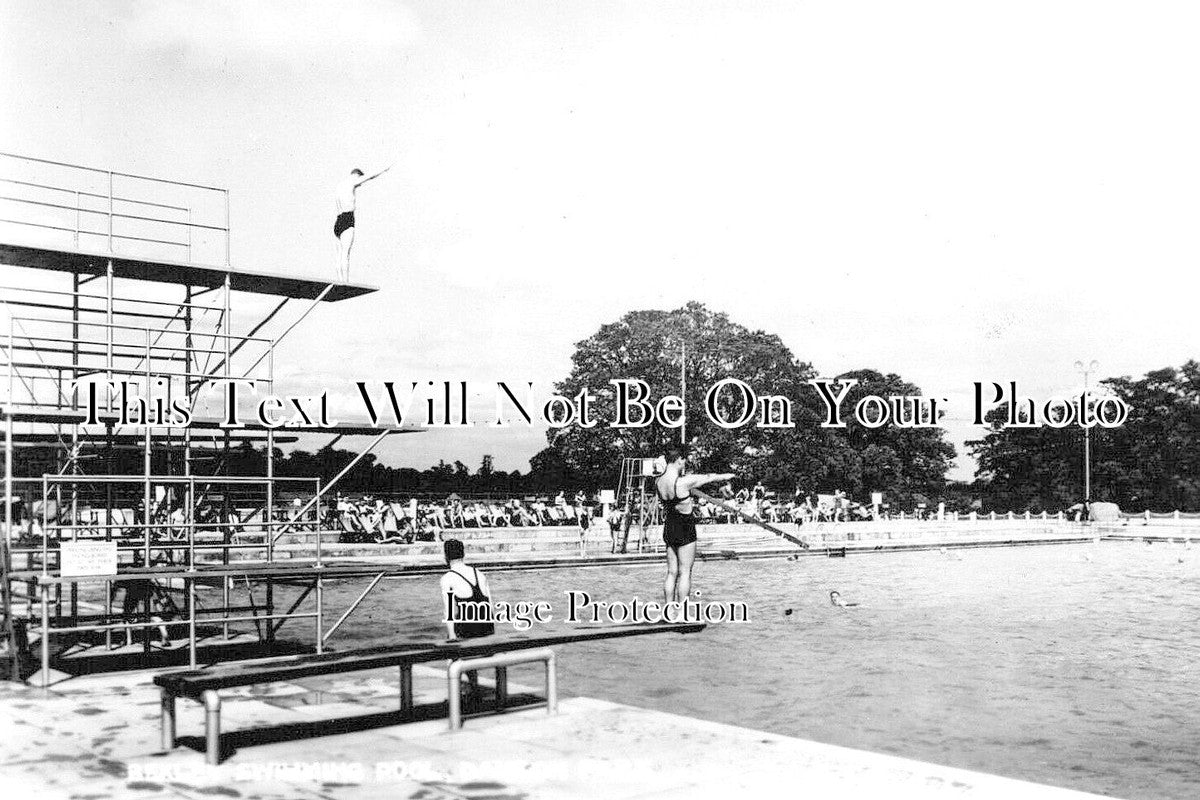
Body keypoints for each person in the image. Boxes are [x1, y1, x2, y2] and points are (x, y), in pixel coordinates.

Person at [654, 446, 734, 604]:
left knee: (671, 572)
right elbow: (709, 477)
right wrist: (728, 475)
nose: (685, 464)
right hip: (685, 526)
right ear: (679, 460)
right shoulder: (683, 482)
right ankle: (683, 612)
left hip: (669, 525)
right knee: (685, 573)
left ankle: (669, 610)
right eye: (684, 461)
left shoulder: (658, 481)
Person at [334, 165, 391, 281]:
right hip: (347, 219)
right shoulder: (352, 182)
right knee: (346, 254)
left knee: (339, 254)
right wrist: (384, 169)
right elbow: (370, 176)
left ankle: (340, 279)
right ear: (357, 175)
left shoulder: (339, 186)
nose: (359, 185)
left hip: (338, 221)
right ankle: (345, 281)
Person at [439, 539, 494, 641]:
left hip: (467, 632)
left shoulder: (447, 578)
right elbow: (490, 607)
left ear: (446, 556)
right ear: (463, 554)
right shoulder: (479, 573)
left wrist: (452, 637)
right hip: (487, 630)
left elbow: (448, 612)